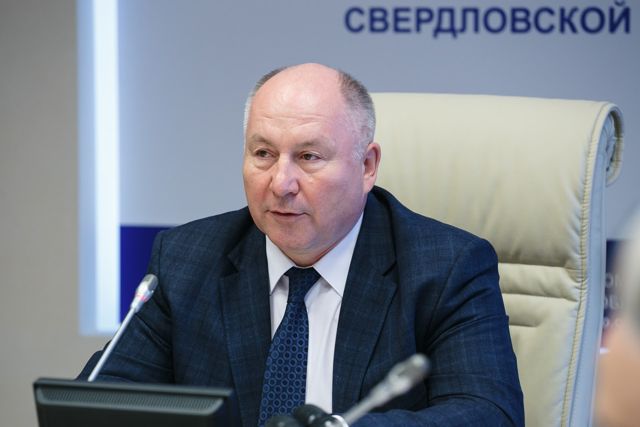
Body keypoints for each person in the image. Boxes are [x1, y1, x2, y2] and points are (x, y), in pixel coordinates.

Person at [79, 63, 524, 426]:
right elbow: (103, 401)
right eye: (263, 154)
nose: (281, 183)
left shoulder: (445, 268)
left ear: (367, 166)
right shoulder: (186, 259)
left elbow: (488, 414)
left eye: (309, 157)